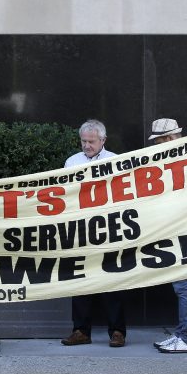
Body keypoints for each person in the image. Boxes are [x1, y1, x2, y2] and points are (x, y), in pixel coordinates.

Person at [61, 119, 126, 348]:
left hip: (108, 229)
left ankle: (117, 331)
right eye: (84, 141)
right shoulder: (71, 162)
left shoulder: (115, 161)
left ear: (103, 140)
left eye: (91, 141)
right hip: (81, 229)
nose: (87, 145)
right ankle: (81, 330)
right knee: (80, 280)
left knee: (112, 280)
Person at [148, 118, 187, 355]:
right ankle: (182, 334)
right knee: (183, 285)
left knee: (185, 285)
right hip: (178, 227)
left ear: (169, 139)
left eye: (157, 140)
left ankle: (186, 337)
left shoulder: (185, 159)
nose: (155, 145)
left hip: (184, 228)